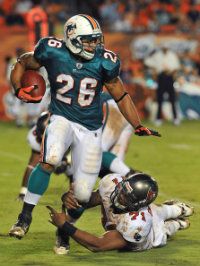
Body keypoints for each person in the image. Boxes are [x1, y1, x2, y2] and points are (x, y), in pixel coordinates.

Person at [9, 14, 161, 240]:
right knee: (50, 159)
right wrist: (17, 88)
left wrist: (137, 124)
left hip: (90, 128)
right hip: (62, 117)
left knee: (81, 194)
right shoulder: (52, 50)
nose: (94, 44)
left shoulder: (104, 61)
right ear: (72, 37)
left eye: (95, 39)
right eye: (88, 40)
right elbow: (22, 62)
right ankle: (25, 216)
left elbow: (121, 95)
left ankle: (65, 229)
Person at [48, 172, 193, 253]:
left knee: (165, 230)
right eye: (123, 190)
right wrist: (70, 198)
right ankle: (175, 209)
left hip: (150, 235)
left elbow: (98, 245)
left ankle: (177, 223)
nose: (120, 196)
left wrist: (65, 225)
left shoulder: (137, 224)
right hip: (147, 211)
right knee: (161, 210)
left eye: (126, 197)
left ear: (138, 205)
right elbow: (91, 199)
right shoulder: (113, 183)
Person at [17, 110, 137, 201]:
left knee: (96, 156)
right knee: (77, 168)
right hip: (91, 119)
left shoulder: (68, 126)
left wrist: (66, 161)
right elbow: (32, 165)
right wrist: (23, 192)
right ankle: (128, 180)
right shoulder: (36, 138)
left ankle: (132, 176)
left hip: (109, 115)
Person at [144, 44, 181, 126]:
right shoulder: (157, 55)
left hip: (170, 77)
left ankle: (175, 118)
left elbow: (176, 67)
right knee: (159, 100)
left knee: (172, 99)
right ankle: (158, 118)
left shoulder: (172, 55)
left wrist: (173, 74)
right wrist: (154, 71)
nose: (165, 49)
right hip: (161, 77)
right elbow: (148, 62)